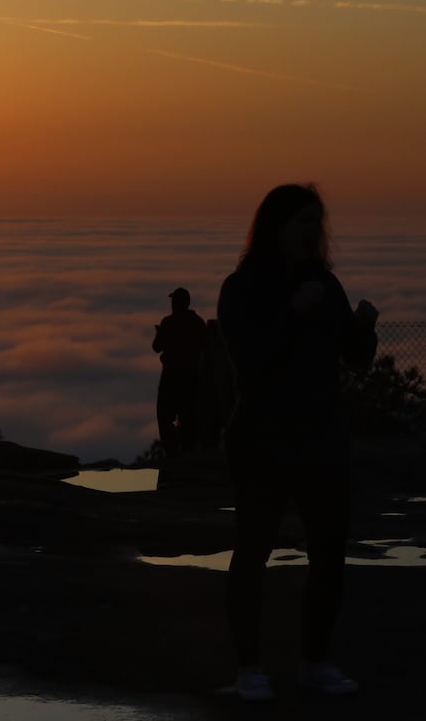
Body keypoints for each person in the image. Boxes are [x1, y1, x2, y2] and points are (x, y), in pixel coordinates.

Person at [217, 183, 377, 702]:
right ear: (276, 227)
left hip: (322, 435)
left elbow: (354, 358)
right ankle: (249, 669)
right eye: (303, 221)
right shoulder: (241, 287)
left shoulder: (324, 284)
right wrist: (293, 313)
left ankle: (315, 662)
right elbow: (251, 359)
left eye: (317, 222)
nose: (313, 232)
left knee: (329, 554)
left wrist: (364, 328)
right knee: (253, 552)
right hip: (263, 436)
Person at [153, 286, 208, 455]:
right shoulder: (198, 322)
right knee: (189, 416)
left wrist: (159, 333)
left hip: (171, 376)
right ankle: (188, 453)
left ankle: (172, 454)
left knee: (165, 416)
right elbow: (205, 346)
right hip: (191, 376)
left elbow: (156, 347)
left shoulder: (168, 322)